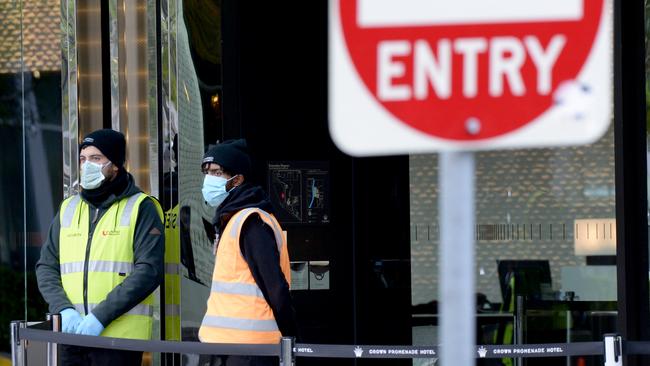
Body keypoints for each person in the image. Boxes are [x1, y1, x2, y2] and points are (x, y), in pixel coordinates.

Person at [36, 129, 165, 366]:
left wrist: (99, 317)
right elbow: (46, 266)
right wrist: (63, 309)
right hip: (71, 335)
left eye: (96, 158)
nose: (87, 166)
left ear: (115, 164)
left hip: (119, 340)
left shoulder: (141, 207)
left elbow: (149, 271)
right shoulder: (69, 208)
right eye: (83, 159)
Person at [198, 139, 297, 366]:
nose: (208, 179)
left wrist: (291, 336)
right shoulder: (232, 219)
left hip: (250, 350)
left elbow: (276, 288)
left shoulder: (251, 222)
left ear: (238, 179)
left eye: (216, 172)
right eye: (206, 172)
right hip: (222, 345)